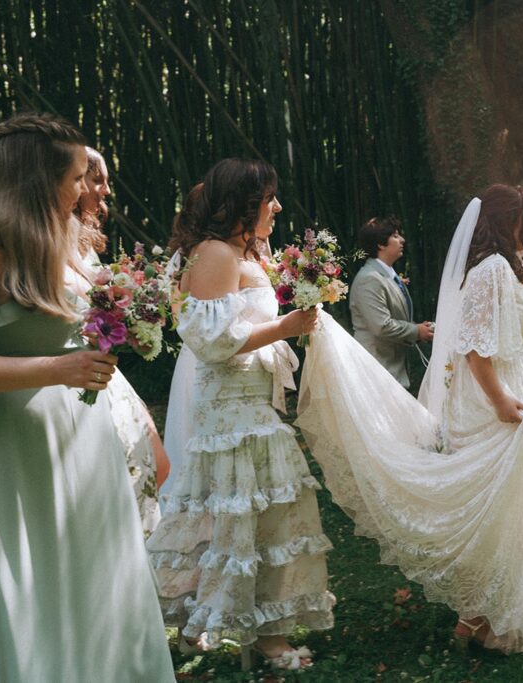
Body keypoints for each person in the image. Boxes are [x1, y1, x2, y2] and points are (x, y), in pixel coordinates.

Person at [297, 184, 523, 654]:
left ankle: (482, 615)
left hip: (505, 384)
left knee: (514, 504)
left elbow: (514, 329)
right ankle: (475, 617)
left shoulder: (496, 268)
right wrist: (501, 401)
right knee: (498, 506)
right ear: (507, 222)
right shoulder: (492, 270)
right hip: (492, 397)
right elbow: (475, 347)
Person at [0, 112, 174, 682]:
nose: (81, 187)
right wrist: (58, 367)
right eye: (73, 177)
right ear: (37, 179)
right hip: (13, 446)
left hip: (81, 438)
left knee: (95, 582)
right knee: (28, 584)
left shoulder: (57, 237)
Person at [146, 158, 335, 671]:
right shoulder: (213, 253)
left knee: (263, 513)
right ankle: (245, 631)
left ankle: (253, 627)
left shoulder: (239, 251)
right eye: (268, 197)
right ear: (242, 204)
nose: (276, 206)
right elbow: (212, 341)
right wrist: (286, 327)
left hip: (252, 402)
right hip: (230, 407)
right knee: (233, 511)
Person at [73, 146, 170, 535]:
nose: (105, 191)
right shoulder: (47, 240)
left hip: (101, 372)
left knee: (155, 463)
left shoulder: (84, 239)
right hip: (76, 375)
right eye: (98, 180)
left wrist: (132, 322)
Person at [349, 216, 433, 389]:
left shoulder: (388, 275)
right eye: (395, 235)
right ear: (380, 244)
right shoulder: (370, 279)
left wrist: (420, 329)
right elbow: (381, 325)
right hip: (376, 369)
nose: (402, 239)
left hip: (392, 367)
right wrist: (416, 331)